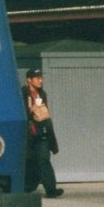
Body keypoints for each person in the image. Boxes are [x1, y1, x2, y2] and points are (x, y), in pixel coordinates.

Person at [22, 68, 63, 198]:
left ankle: (51, 189)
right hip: (29, 134)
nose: (40, 80)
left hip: (42, 133)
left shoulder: (42, 94)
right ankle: (26, 187)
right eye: (37, 78)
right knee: (30, 161)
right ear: (29, 80)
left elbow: (45, 115)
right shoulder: (22, 93)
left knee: (44, 159)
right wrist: (30, 110)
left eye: (41, 78)